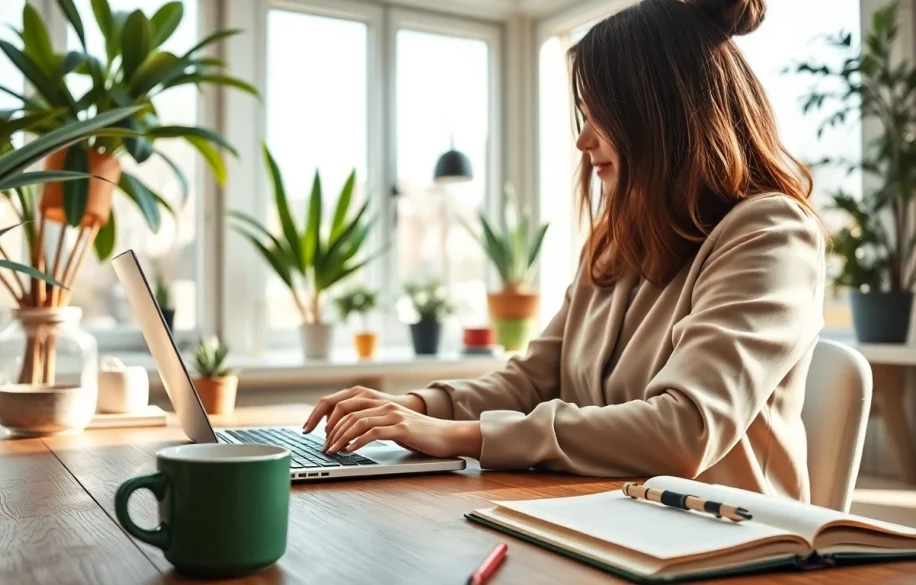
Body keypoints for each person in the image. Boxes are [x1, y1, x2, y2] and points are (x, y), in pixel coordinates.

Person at [303, 0, 825, 502]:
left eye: (603, 118)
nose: (585, 142)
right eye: (584, 116)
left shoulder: (771, 233)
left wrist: (459, 436)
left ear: (662, 119)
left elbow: (683, 429)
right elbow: (533, 379)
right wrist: (414, 408)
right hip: (609, 517)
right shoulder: (615, 244)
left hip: (732, 541)